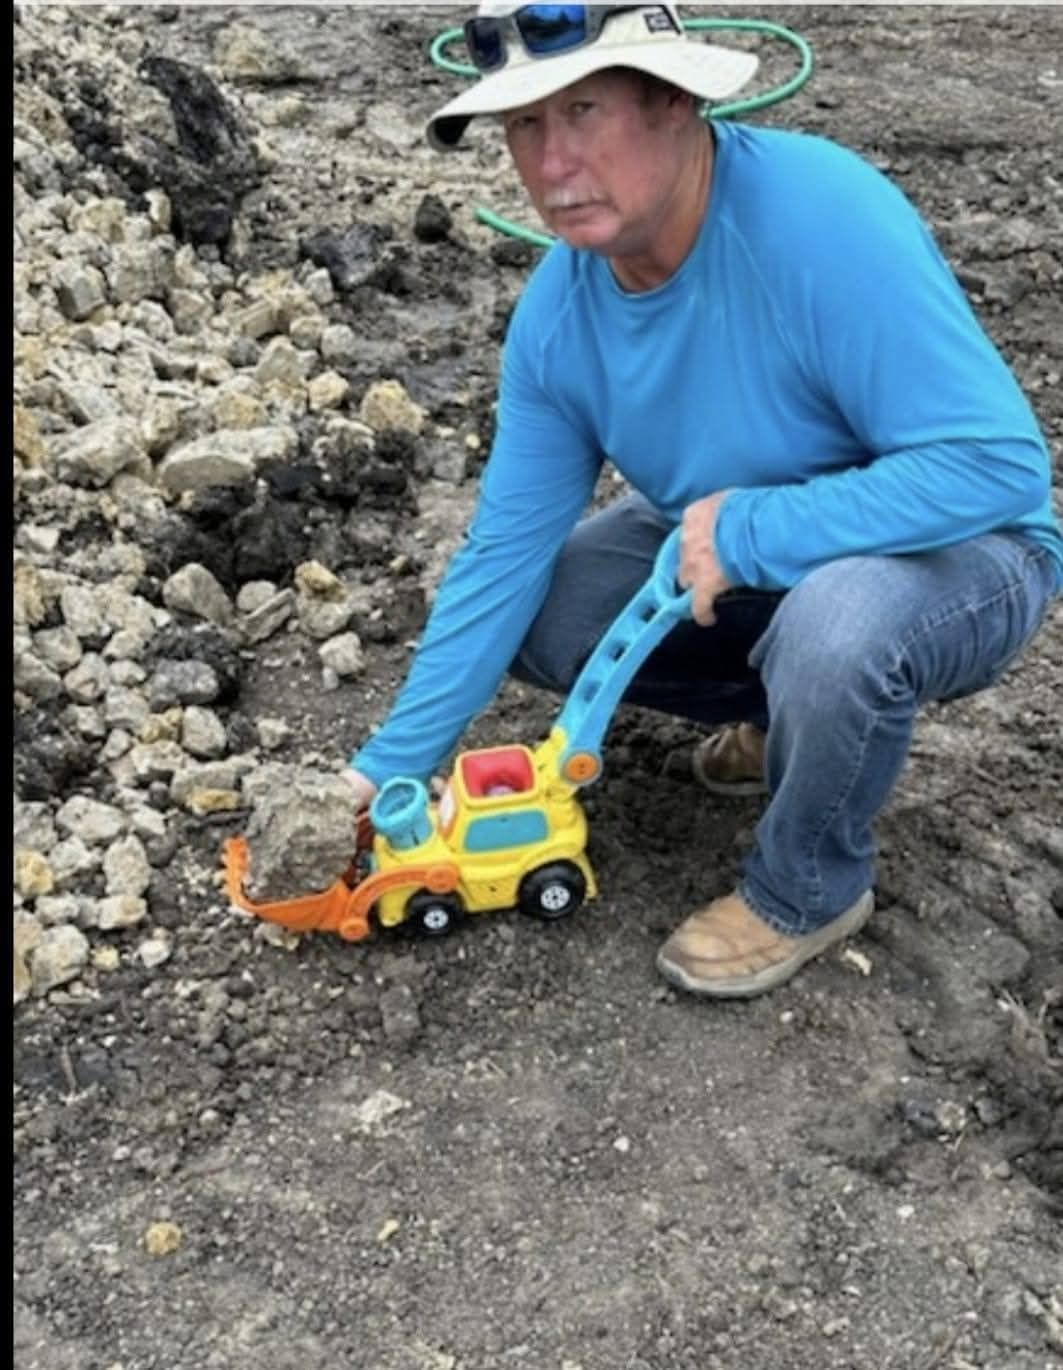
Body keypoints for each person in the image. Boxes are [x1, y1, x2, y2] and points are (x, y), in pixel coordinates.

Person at [343, 2, 1062, 997]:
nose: (552, 164)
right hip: (753, 550)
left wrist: (760, 528)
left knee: (840, 627)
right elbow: (504, 552)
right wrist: (379, 772)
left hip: (964, 551)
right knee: (550, 613)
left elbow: (998, 469)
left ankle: (806, 887)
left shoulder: (821, 220)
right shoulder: (560, 314)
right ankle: (792, 721)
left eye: (583, 110)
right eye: (524, 126)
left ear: (674, 99)